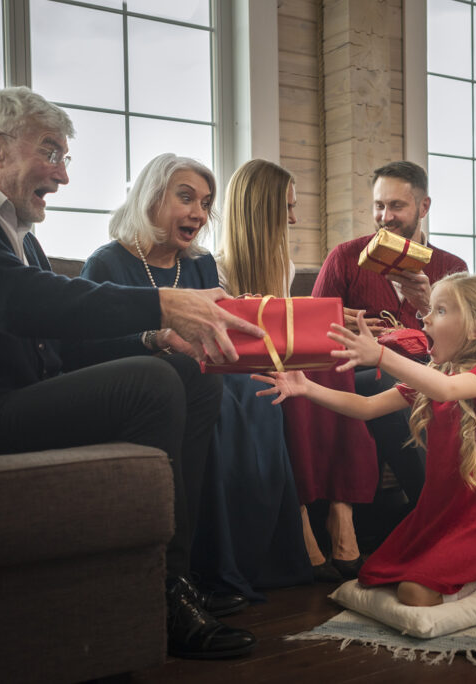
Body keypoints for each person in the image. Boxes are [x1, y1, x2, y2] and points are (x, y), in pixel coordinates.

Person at [0, 87, 265, 660]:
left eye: (66, 158)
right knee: (153, 383)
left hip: (7, 402)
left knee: (187, 371)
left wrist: (151, 337)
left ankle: (178, 578)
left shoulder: (18, 235)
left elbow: (58, 343)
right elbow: (12, 300)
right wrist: (158, 306)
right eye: (52, 153)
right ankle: (161, 593)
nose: (62, 176)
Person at [79, 155, 310, 600]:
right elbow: (86, 350)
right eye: (186, 198)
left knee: (261, 387)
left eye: (205, 203)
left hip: (212, 375)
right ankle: (210, 570)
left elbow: (226, 331)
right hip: (155, 383)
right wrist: (157, 337)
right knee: (224, 394)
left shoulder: (201, 264)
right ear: (150, 197)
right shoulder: (106, 263)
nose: (199, 214)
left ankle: (252, 560)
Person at [255, 273, 476, 606]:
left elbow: (448, 391)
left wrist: (381, 356)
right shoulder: (439, 376)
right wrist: (307, 388)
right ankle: (464, 574)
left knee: (413, 593)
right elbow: (366, 407)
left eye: (439, 311)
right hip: (441, 516)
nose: (424, 318)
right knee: (373, 577)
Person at [285, 161, 468, 581]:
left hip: (426, 367)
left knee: (409, 383)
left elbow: (467, 346)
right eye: (379, 206)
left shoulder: (450, 266)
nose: (386, 217)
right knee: (388, 384)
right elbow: (312, 336)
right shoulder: (346, 258)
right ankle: (439, 522)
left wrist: (427, 307)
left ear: (424, 206)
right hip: (363, 371)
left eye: (397, 206)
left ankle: (431, 522)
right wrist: (338, 323)